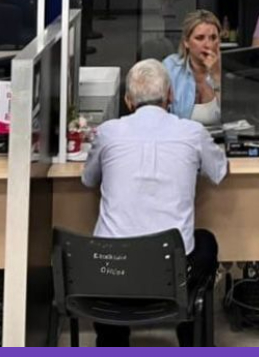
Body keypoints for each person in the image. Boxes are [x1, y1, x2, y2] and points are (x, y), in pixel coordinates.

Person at [82, 59, 228, 347]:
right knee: (206, 242)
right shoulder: (192, 132)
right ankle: (191, 339)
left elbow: (88, 180)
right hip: (171, 273)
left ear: (127, 100)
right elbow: (220, 171)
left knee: (106, 246)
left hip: (112, 273)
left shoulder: (108, 132)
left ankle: (113, 342)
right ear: (170, 95)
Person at [163, 10, 222, 126]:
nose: (208, 45)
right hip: (180, 136)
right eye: (200, 38)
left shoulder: (230, 70)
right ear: (186, 42)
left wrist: (216, 75)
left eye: (213, 38)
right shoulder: (170, 68)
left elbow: (236, 118)